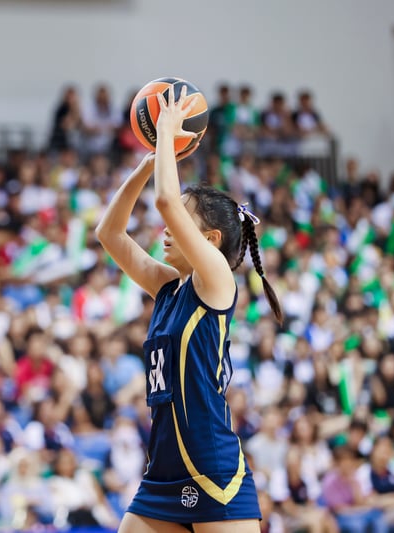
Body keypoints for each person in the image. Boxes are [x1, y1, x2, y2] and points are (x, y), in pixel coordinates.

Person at [95, 85, 283, 532]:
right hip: (161, 472)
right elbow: (109, 233)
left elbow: (164, 199)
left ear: (210, 241)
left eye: (180, 219)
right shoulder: (166, 287)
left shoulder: (215, 278)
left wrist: (165, 139)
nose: (165, 226)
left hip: (212, 470)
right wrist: (146, 164)